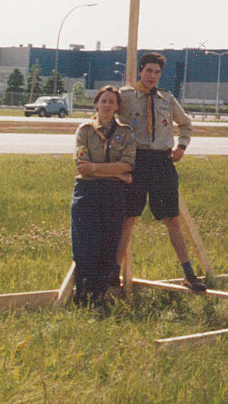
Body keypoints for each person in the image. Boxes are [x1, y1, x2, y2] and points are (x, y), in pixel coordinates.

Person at [116, 52, 207, 291]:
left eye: (157, 72)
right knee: (129, 218)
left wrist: (182, 146)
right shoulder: (125, 97)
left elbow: (186, 123)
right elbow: (106, 114)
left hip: (161, 162)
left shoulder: (166, 98)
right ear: (140, 71)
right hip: (136, 161)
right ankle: (113, 273)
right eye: (148, 71)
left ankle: (189, 273)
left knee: (172, 219)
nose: (152, 76)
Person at [71, 85, 136, 306]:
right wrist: (118, 173)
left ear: (118, 107)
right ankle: (82, 298)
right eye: (103, 101)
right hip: (87, 193)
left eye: (112, 102)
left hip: (112, 194)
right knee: (85, 248)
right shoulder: (85, 130)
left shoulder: (125, 133)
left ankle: (99, 299)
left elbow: (128, 164)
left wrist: (97, 168)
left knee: (108, 247)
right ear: (96, 103)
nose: (107, 105)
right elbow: (82, 167)